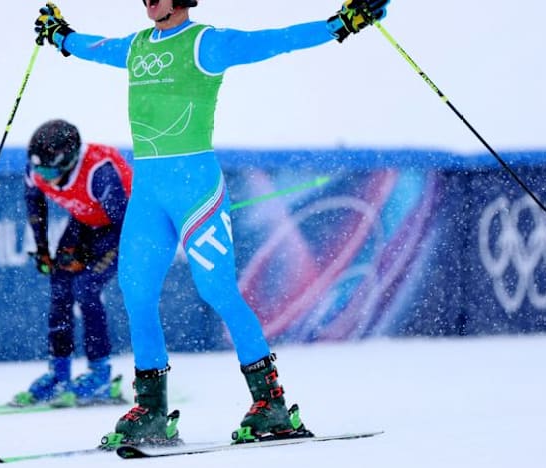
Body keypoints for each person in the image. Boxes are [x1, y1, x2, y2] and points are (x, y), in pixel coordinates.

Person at [32, 0, 390, 445]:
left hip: (195, 192)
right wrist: (61, 36)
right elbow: (94, 47)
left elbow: (275, 41)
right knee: (136, 294)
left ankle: (271, 404)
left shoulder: (206, 43)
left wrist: (340, 25)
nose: (148, 2)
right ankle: (152, 410)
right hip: (149, 196)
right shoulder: (137, 46)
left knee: (217, 290)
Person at [11, 119, 133, 408]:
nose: (44, 177)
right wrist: (42, 249)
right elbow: (35, 203)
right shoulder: (37, 168)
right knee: (60, 288)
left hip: (123, 228)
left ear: (70, 160)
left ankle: (101, 377)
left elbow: (125, 227)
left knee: (86, 288)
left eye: (51, 171)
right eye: (40, 170)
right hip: (86, 222)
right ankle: (59, 375)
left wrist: (90, 258)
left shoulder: (98, 173)